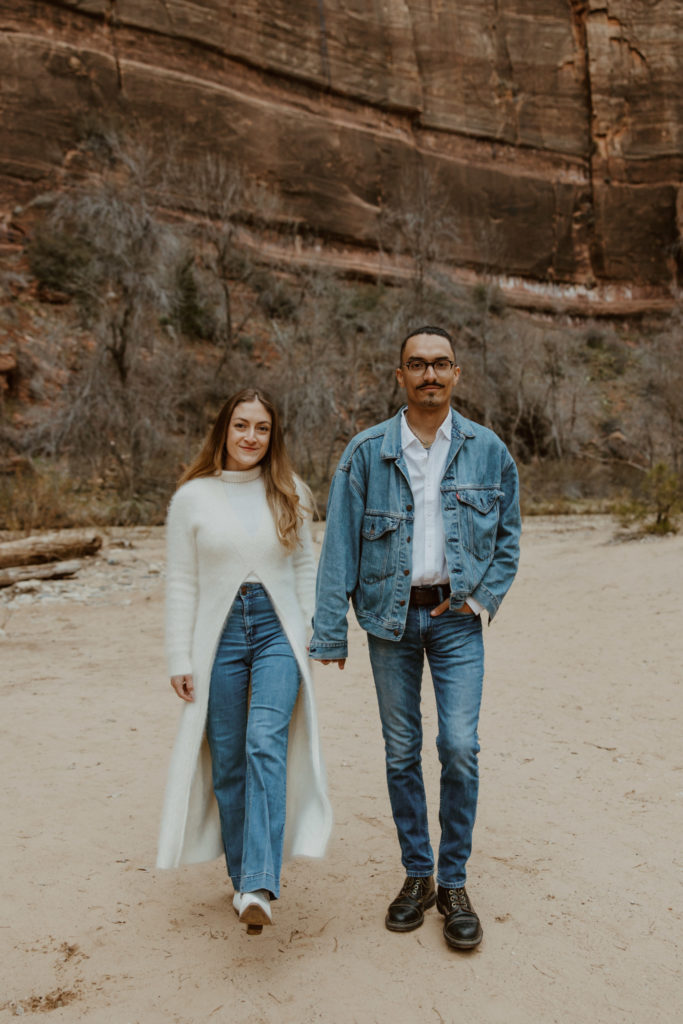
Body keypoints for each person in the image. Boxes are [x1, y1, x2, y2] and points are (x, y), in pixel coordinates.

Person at [309, 326, 520, 950]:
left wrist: (480, 599)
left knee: (458, 746)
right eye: (417, 364)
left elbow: (508, 540)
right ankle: (417, 876)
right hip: (388, 620)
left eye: (441, 364)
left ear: (458, 374)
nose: (430, 374)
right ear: (398, 376)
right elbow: (339, 546)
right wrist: (330, 633)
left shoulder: (489, 451)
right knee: (401, 752)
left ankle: (454, 882)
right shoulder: (366, 451)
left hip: (457, 620)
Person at [157, 387, 332, 935]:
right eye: (241, 426)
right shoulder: (193, 497)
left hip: (279, 630)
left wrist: (310, 633)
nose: (251, 437)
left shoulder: (290, 491)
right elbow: (181, 581)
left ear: (272, 435)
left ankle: (259, 882)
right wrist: (179, 656)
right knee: (228, 758)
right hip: (220, 635)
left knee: (265, 742)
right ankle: (242, 881)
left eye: (261, 428)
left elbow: (306, 568)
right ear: (224, 430)